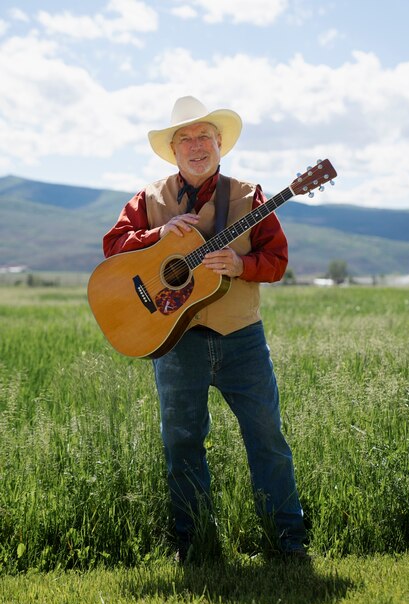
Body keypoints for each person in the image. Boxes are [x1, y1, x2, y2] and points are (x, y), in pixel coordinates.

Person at [103, 96, 307, 562]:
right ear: (174, 151)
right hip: (177, 344)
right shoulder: (148, 200)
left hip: (242, 338)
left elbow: (276, 262)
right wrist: (156, 235)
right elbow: (113, 245)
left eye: (205, 138)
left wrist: (240, 263)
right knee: (182, 443)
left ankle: (289, 542)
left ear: (220, 145)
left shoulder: (250, 196)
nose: (196, 147)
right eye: (186, 140)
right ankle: (194, 544)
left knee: (267, 438)